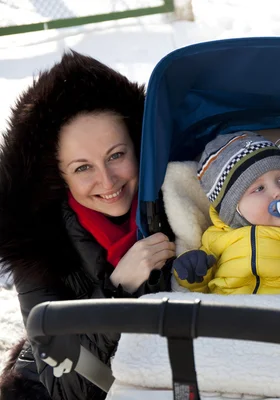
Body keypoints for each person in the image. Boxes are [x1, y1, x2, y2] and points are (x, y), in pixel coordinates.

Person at [0, 51, 176, 400]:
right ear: (59, 176)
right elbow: (69, 387)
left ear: (139, 147)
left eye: (116, 155)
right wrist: (118, 289)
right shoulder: (36, 245)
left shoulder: (177, 201)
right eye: (83, 168)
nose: (107, 181)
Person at [173, 131, 280, 295]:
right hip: (229, 313)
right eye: (259, 188)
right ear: (234, 209)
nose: (278, 192)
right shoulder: (213, 238)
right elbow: (201, 290)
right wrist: (191, 271)